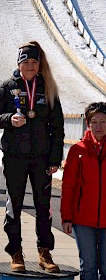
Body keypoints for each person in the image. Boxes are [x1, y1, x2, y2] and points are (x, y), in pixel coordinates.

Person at [0, 41, 64, 272]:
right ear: (19, 65)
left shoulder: (48, 88)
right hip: (14, 156)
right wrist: (9, 119)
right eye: (25, 62)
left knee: (43, 206)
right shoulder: (7, 87)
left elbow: (57, 127)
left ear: (39, 66)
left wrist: (54, 158)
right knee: (15, 206)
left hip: (41, 158)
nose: (29, 66)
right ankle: (15, 252)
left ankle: (45, 252)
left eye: (33, 62)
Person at [61, 102, 106, 279]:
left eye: (103, 121)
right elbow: (68, 186)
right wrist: (66, 217)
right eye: (94, 122)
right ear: (88, 124)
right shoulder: (77, 151)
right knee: (88, 266)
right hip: (83, 220)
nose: (99, 126)